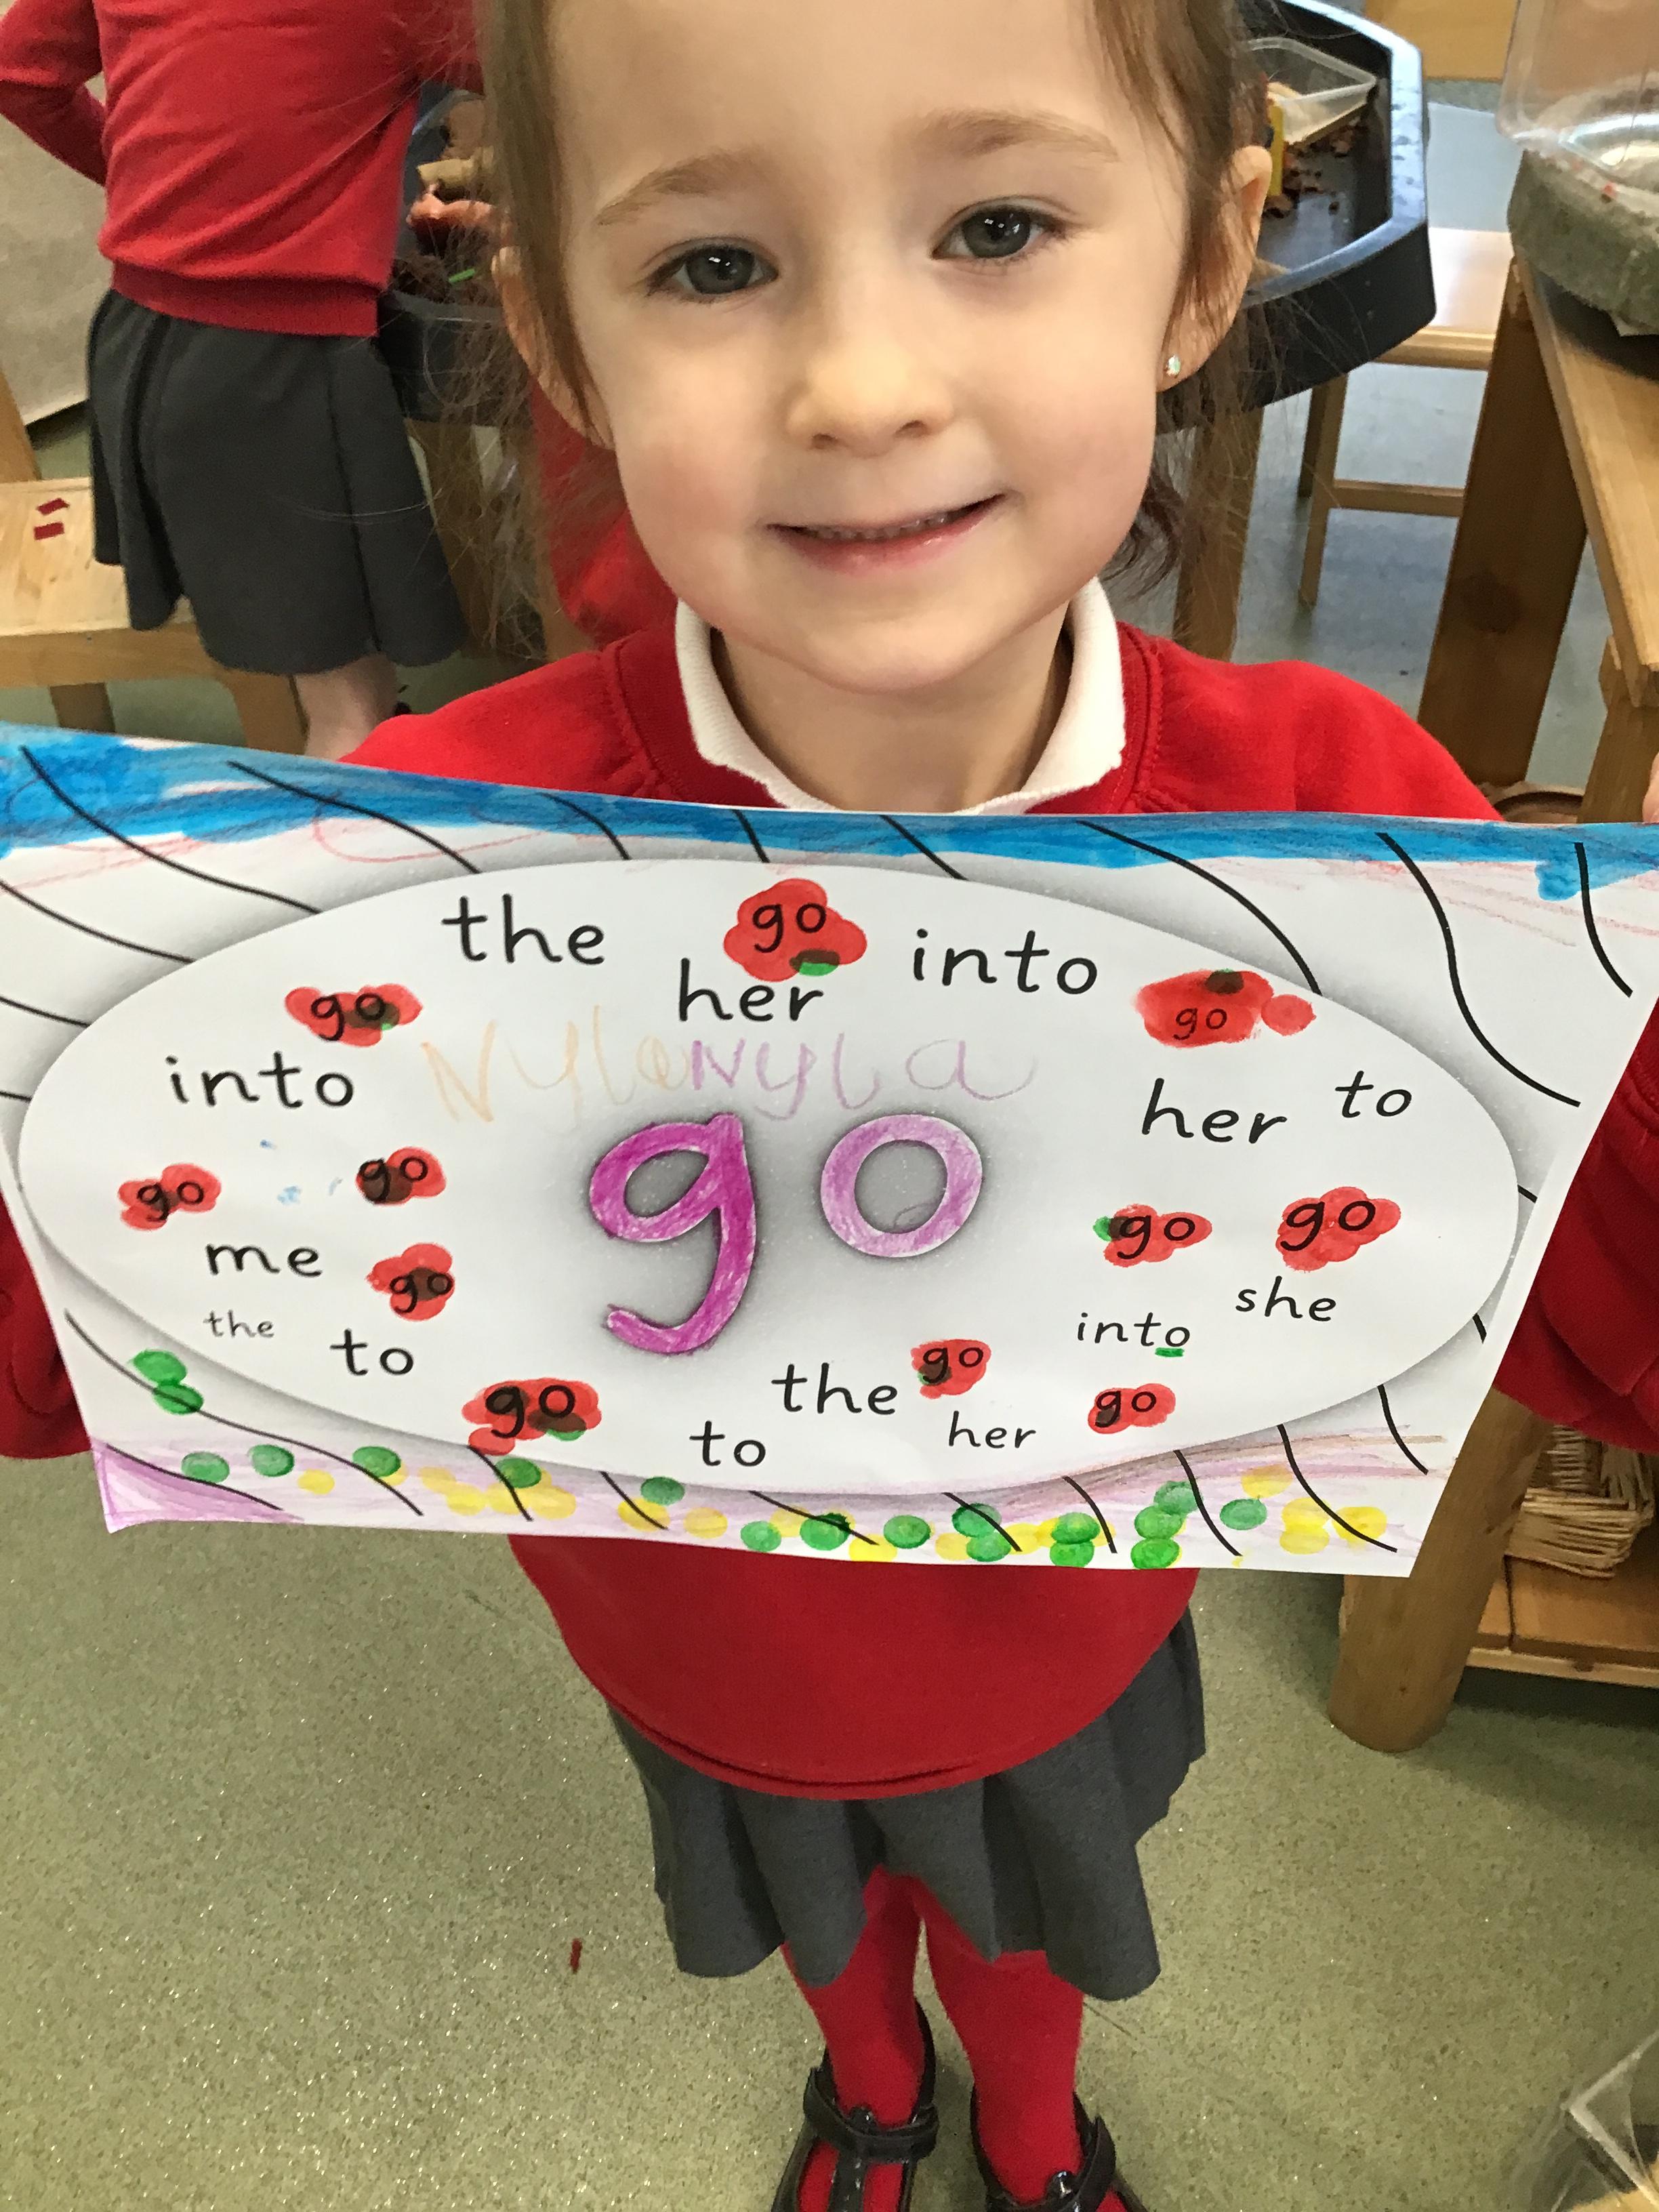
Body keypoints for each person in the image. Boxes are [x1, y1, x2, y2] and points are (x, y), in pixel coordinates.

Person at [0, 7, 1656, 2212]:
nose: (860, 385)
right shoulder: (392, 879)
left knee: (1034, 1921)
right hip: (694, 1642)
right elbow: (69, 1335)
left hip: (1057, 1630)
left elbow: (1600, 1306)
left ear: (1198, 264)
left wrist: (1588, 1023)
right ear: (559, 342)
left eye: (997, 224)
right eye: (711, 264)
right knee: (816, 1911)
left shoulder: (1359, 840)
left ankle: (1037, 2133)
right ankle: (871, 2099)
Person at [0, 0, 476, 757]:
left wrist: (157, 186)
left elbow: (19, 72)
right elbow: (556, 67)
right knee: (347, 702)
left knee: (334, 654)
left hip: (137, 340)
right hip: (268, 363)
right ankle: (351, 792)